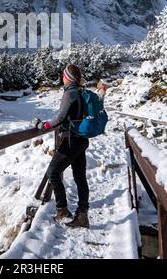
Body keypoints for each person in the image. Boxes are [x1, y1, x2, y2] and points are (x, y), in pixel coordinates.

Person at [34, 64, 107, 229]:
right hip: (81, 140)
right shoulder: (81, 91)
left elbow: (60, 118)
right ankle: (82, 216)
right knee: (80, 178)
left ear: (67, 77)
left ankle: (62, 209)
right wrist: (102, 90)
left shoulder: (70, 93)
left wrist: (42, 125)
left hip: (71, 141)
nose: (62, 77)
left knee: (52, 172)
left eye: (63, 75)